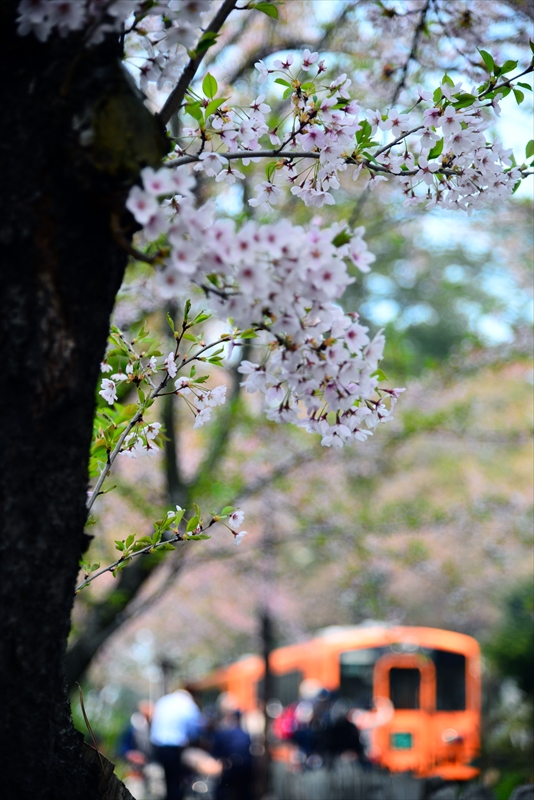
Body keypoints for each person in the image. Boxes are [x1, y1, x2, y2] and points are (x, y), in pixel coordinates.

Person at [150, 686, 203, 800]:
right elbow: (195, 730)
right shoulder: (189, 705)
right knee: (176, 782)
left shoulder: (163, 701)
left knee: (167, 780)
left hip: (157, 746)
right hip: (175, 748)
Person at [210, 694, 253, 800]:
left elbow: (217, 753)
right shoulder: (243, 731)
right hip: (246, 766)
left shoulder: (223, 733)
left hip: (232, 767)